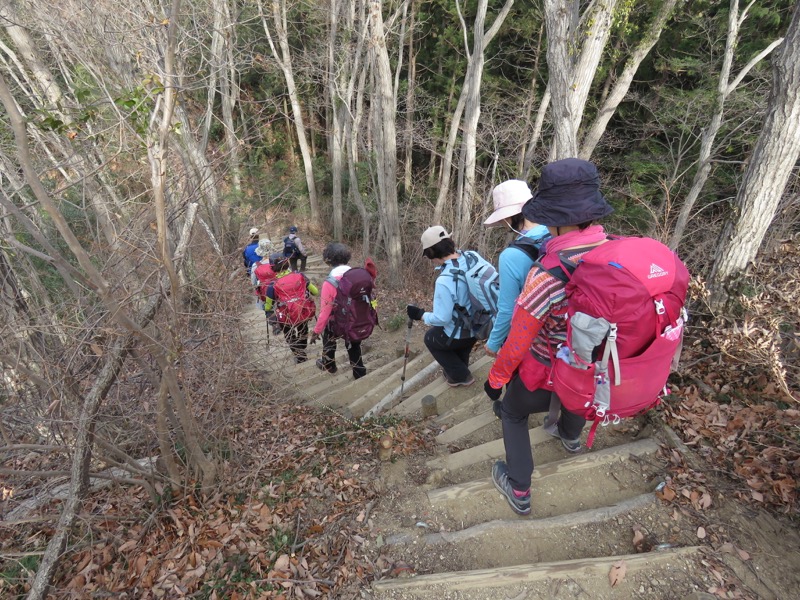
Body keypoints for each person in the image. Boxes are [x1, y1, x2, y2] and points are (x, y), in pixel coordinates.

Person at [483, 158, 614, 516]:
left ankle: (519, 488)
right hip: (597, 366)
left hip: (546, 371)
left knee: (511, 412)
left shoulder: (547, 274)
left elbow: (518, 341)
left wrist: (496, 380)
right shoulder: (612, 253)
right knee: (577, 385)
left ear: (552, 218)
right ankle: (570, 437)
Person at [406, 226, 477, 387]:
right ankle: (460, 366)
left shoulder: (444, 281)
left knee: (431, 338)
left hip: (461, 332)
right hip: (480, 324)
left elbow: (441, 319)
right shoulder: (470, 257)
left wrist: (420, 314)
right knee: (456, 334)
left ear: (431, 253)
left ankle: (461, 375)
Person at [309, 242, 368, 379]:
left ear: (329, 261)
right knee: (354, 346)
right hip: (356, 319)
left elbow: (325, 312)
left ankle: (329, 364)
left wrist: (316, 331)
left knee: (328, 336)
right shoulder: (358, 275)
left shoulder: (329, 282)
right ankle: (359, 372)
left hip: (338, 322)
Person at [264, 253, 318, 364]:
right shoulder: (300, 276)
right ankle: (302, 347)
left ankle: (299, 355)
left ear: (272, 268)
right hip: (302, 310)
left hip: (286, 316)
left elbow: (268, 306)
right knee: (303, 329)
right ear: (287, 263)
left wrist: (268, 309)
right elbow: (315, 291)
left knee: (289, 335)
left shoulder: (272, 285)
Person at [251, 238, 276, 311]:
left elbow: (254, 283)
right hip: (281, 293)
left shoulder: (255, 265)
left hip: (265, 295)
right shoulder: (278, 262)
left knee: (268, 311)